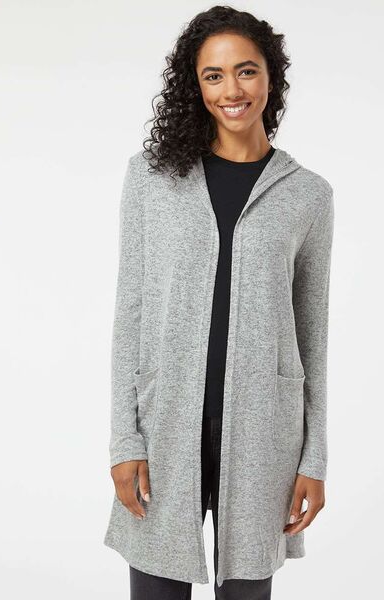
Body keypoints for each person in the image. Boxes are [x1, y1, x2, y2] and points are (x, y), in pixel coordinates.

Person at [103, 6, 335, 600]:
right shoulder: (152, 177)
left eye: (246, 71)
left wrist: (314, 458)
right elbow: (130, 313)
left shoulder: (308, 195)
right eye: (214, 75)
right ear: (196, 85)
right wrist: (125, 440)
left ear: (271, 76)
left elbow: (312, 334)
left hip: (265, 432)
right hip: (165, 422)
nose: (232, 90)